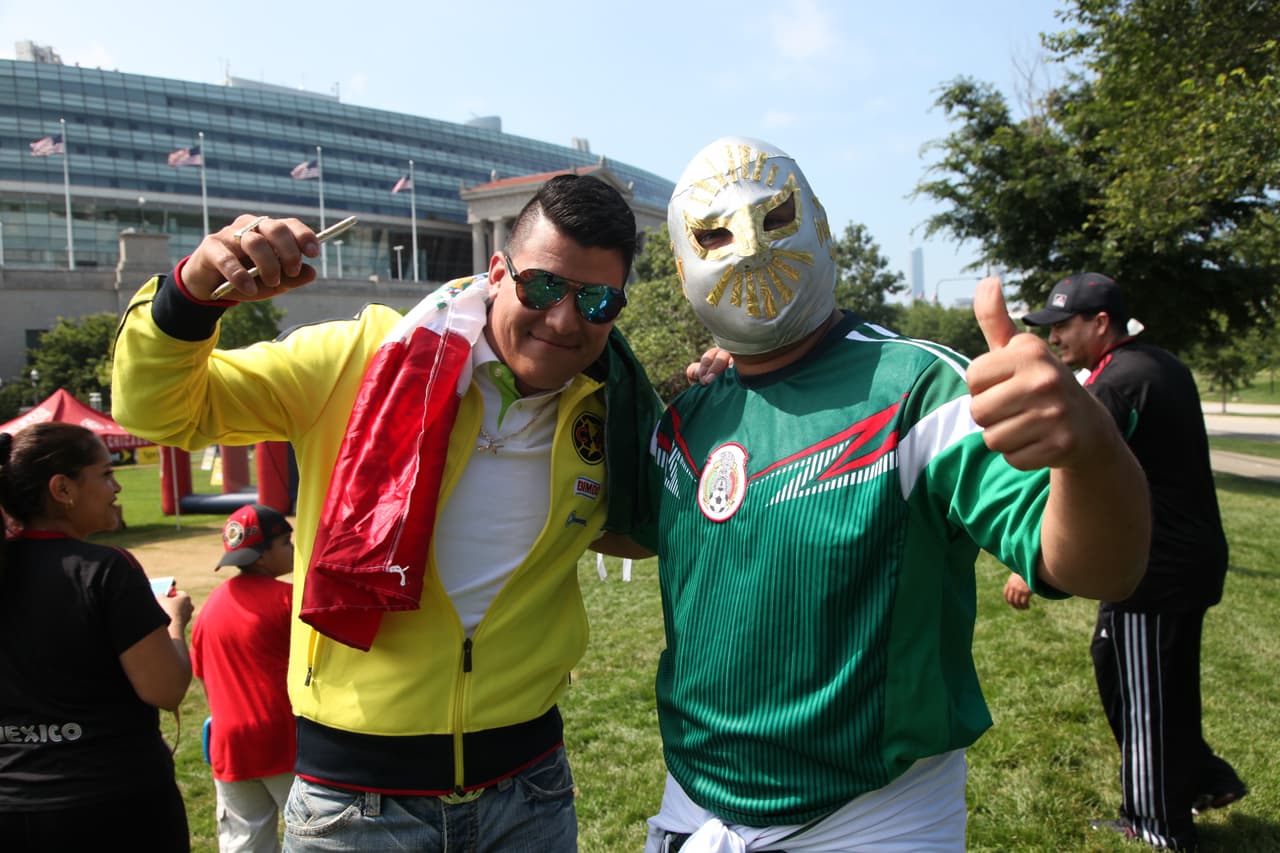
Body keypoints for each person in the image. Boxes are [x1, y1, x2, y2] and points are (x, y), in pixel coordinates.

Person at [111, 173, 660, 852]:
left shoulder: (614, 409)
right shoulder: (360, 358)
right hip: (355, 805)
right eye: (544, 287)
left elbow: (634, 528)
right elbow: (156, 410)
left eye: (599, 300)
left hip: (529, 792)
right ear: (498, 270)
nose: (564, 320)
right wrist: (192, 293)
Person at [631, 136, 1151, 852]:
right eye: (715, 233)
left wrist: (1091, 449)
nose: (748, 249)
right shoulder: (686, 422)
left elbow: (1100, 569)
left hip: (871, 819)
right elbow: (626, 532)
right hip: (692, 806)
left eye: (773, 216)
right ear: (682, 257)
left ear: (817, 220)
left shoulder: (926, 391)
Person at [1022, 272, 1247, 850]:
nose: (1056, 340)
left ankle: (1156, 821)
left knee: (1143, 692)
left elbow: (1074, 471)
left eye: (1064, 327)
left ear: (1101, 323)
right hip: (1182, 558)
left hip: (1156, 570)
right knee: (1131, 669)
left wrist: (1029, 561)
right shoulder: (1158, 364)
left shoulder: (1117, 383)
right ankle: (1201, 777)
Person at [0, 422, 194, 852]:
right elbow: (165, 688)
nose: (117, 486)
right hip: (111, 805)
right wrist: (174, 622)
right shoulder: (104, 568)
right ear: (62, 489)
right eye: (105, 474)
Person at [192, 503, 296, 853]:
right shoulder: (288, 600)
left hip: (229, 744)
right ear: (262, 556)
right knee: (316, 836)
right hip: (283, 741)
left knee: (244, 842)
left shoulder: (211, 605)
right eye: (285, 542)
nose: (293, 548)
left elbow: (202, 674)